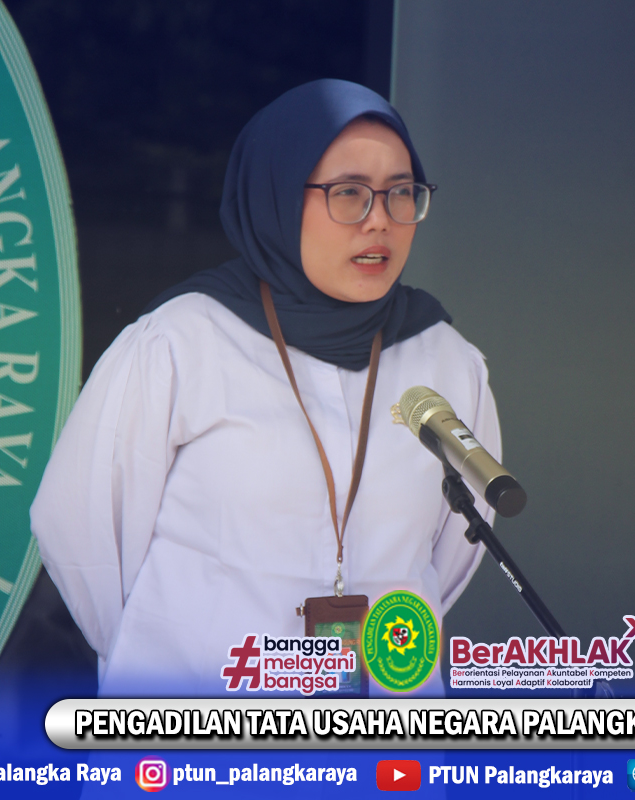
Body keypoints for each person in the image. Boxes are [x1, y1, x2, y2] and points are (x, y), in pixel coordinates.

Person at [30, 79, 500, 697]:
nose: (380, 220)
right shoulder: (181, 343)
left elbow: (455, 553)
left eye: (401, 193)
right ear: (275, 195)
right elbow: (82, 534)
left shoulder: (446, 361)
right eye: (349, 192)